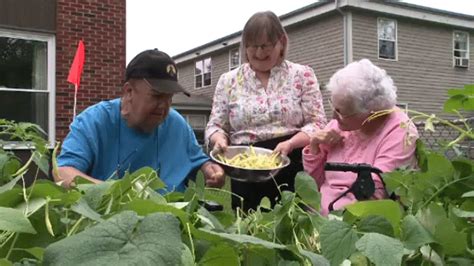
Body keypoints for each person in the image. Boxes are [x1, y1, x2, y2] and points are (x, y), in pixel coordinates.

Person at [205, 11, 327, 211]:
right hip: (244, 168)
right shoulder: (229, 80)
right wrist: (219, 140)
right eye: (252, 46)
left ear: (281, 42)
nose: (259, 52)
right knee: (249, 230)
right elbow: (215, 125)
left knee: (292, 226)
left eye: (265, 46)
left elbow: (318, 123)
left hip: (291, 161)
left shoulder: (302, 75)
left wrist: (290, 143)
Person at [55, 49, 225, 192]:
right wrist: (119, 193)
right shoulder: (94, 122)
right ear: (129, 91)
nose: (164, 105)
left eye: (169, 98)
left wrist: (210, 170)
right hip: (110, 222)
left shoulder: (177, 124)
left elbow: (199, 162)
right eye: (157, 96)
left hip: (171, 223)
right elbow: (62, 172)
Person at [303, 59, 419, 216]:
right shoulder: (341, 125)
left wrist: (330, 222)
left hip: (354, 223)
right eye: (333, 107)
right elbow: (312, 186)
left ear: (370, 114)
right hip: (317, 216)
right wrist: (315, 146)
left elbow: (373, 195)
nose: (333, 117)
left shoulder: (399, 130)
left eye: (341, 112)